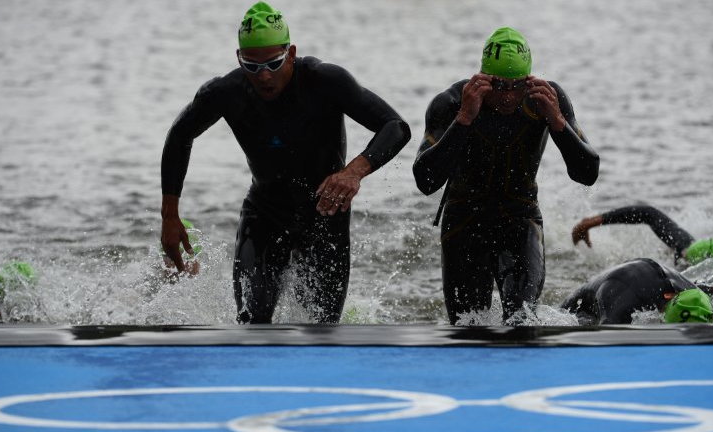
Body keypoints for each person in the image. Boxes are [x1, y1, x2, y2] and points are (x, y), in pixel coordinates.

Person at [160, 2, 410, 324]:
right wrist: (169, 215)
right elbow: (179, 135)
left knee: (323, 328)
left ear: (291, 53)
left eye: (274, 63)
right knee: (252, 323)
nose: (264, 76)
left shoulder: (325, 80)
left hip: (324, 215)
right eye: (252, 66)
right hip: (265, 214)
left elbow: (395, 126)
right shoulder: (225, 92)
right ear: (239, 58)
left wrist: (353, 172)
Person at [412, 27, 599, 324]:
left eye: (517, 86)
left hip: (520, 219)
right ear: (482, 78)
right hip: (464, 222)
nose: (508, 96)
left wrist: (557, 122)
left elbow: (587, 173)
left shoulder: (546, 99)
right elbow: (425, 180)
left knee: (522, 322)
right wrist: (464, 120)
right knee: (467, 328)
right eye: (498, 85)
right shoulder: (451, 103)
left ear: (529, 80)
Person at [571, 205, 713, 288]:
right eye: (684, 255)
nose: (682, 257)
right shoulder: (687, 248)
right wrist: (591, 223)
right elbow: (649, 213)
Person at [560, 258, 713, 325]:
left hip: (653, 274)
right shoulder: (620, 299)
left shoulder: (698, 300)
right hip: (586, 303)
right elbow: (609, 348)